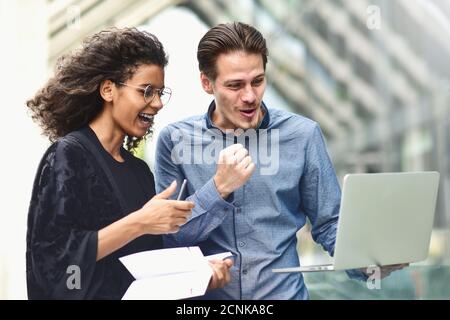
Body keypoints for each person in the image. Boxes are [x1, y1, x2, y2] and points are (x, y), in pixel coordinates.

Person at [154, 22, 406, 300]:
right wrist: (219, 188)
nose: (250, 96)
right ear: (206, 83)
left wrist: (368, 262)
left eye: (258, 81)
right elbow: (171, 238)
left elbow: (329, 223)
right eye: (235, 85)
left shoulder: (303, 135)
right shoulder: (175, 140)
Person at [25, 27, 232, 300]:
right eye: (146, 91)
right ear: (109, 90)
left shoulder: (140, 172)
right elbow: (55, 261)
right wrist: (140, 222)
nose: (157, 103)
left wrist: (199, 274)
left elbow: (144, 268)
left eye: (160, 93)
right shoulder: (68, 156)